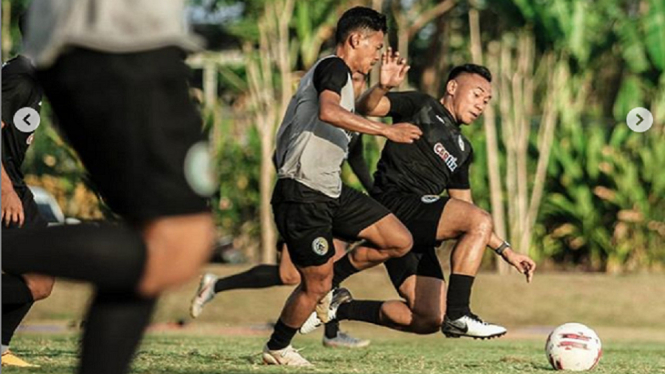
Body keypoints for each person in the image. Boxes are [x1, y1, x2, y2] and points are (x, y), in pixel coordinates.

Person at [2, 2, 216, 373]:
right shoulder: (17, 75)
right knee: (177, 241)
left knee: (156, 240)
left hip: (109, 37)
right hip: (117, 36)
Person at [304, 59, 536, 339]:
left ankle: (339, 309)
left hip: (416, 225)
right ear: (452, 87)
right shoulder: (422, 105)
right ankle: (460, 313)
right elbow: (368, 108)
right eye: (476, 95)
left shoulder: (463, 149)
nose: (480, 105)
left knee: (428, 317)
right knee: (478, 222)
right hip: (393, 204)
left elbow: (469, 211)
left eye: (486, 101)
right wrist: (382, 86)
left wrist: (507, 252)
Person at [261, 7, 423, 366]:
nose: (378, 55)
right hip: (302, 193)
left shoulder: (346, 81)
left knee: (398, 239)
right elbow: (329, 112)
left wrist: (383, 86)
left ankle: (332, 289)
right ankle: (277, 346)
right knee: (312, 284)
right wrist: (387, 130)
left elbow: (352, 112)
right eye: (376, 47)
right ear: (355, 40)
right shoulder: (332, 67)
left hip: (330, 191)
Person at [190, 136, 373, 350]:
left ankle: (331, 332)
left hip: (326, 200)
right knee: (292, 273)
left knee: (322, 264)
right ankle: (216, 285)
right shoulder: (321, 117)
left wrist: (373, 191)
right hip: (301, 200)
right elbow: (279, 153)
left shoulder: (354, 126)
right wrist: (296, 182)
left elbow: (357, 160)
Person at [1, 21, 55, 366]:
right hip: (5, 185)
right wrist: (5, 190)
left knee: (41, 279)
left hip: (14, 182)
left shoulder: (30, 76)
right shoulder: (18, 77)